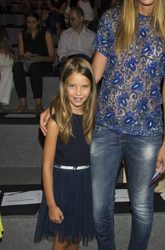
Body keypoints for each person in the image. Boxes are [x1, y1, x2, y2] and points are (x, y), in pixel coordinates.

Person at [40, 0, 165, 249]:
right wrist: (56, 105)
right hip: (105, 128)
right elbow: (94, 72)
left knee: (141, 207)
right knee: (99, 208)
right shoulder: (112, 19)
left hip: (147, 133)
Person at [34, 58, 97, 249]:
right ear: (64, 86)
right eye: (72, 86)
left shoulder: (93, 118)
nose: (78, 93)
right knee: (62, 238)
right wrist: (52, 204)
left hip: (85, 182)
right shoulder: (56, 122)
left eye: (84, 86)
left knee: (76, 235)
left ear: (92, 88)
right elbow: (46, 165)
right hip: (61, 183)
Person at [13, 11, 55, 113]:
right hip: (28, 63)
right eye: (28, 22)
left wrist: (38, 58)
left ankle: (38, 104)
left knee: (34, 68)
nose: (31, 25)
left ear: (38, 22)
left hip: (44, 64)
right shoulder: (21, 34)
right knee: (17, 67)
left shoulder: (46, 33)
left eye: (33, 22)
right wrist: (24, 56)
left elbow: (52, 58)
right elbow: (20, 56)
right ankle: (23, 103)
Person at [56, 6, 95, 76]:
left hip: (86, 62)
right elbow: (61, 53)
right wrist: (69, 62)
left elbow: (95, 55)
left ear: (81, 19)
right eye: (69, 19)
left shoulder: (92, 35)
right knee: (62, 69)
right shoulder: (65, 34)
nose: (70, 22)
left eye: (73, 19)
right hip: (70, 61)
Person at [0, 27, 14, 111]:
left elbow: (10, 51)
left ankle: (1, 100)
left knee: (9, 70)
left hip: (4, 61)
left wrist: (8, 51)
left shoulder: (2, 31)